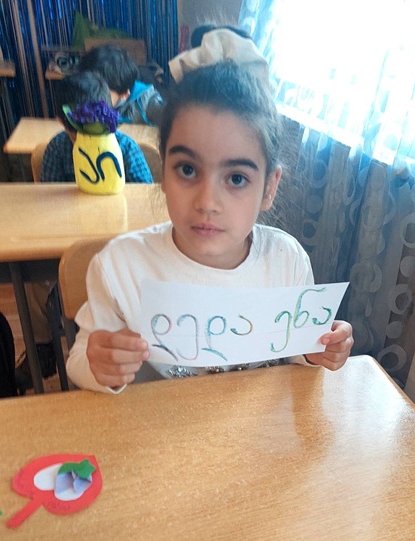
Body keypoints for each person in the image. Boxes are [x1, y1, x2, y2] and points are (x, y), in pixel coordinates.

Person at [66, 60, 353, 393]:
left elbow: (296, 359)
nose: (207, 202)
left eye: (236, 178)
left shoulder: (286, 261)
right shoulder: (120, 267)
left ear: (269, 188)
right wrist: (100, 364)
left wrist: (316, 350)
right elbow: (79, 360)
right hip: (161, 423)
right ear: (164, 171)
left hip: (256, 422)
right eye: (187, 170)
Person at [14, 71, 154, 394]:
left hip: (120, 240)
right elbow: (45, 200)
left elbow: (147, 195)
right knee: (35, 284)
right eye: (78, 129)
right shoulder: (57, 149)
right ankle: (44, 348)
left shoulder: (125, 146)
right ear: (63, 124)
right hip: (69, 242)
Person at [78, 44, 165, 126]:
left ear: (124, 94)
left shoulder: (148, 103)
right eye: (89, 89)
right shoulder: (83, 97)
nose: (92, 96)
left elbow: (169, 122)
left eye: (101, 92)